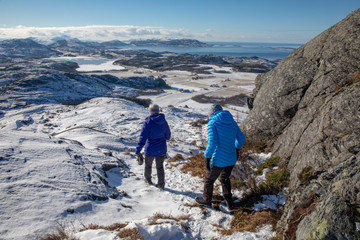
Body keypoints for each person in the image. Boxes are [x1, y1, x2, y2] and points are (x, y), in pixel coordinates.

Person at [195, 104, 246, 210]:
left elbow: (212, 143)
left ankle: (206, 200)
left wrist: (207, 157)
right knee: (225, 179)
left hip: (218, 158)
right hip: (231, 158)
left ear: (211, 113)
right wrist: (236, 149)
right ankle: (229, 202)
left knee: (209, 180)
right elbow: (242, 139)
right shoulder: (232, 122)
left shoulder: (212, 123)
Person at [135, 104, 171, 190]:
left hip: (150, 148)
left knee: (148, 166)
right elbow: (168, 136)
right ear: (158, 111)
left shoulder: (148, 122)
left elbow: (143, 137)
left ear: (150, 111)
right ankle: (161, 184)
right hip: (161, 149)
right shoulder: (164, 121)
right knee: (160, 167)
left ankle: (148, 180)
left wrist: (138, 150)